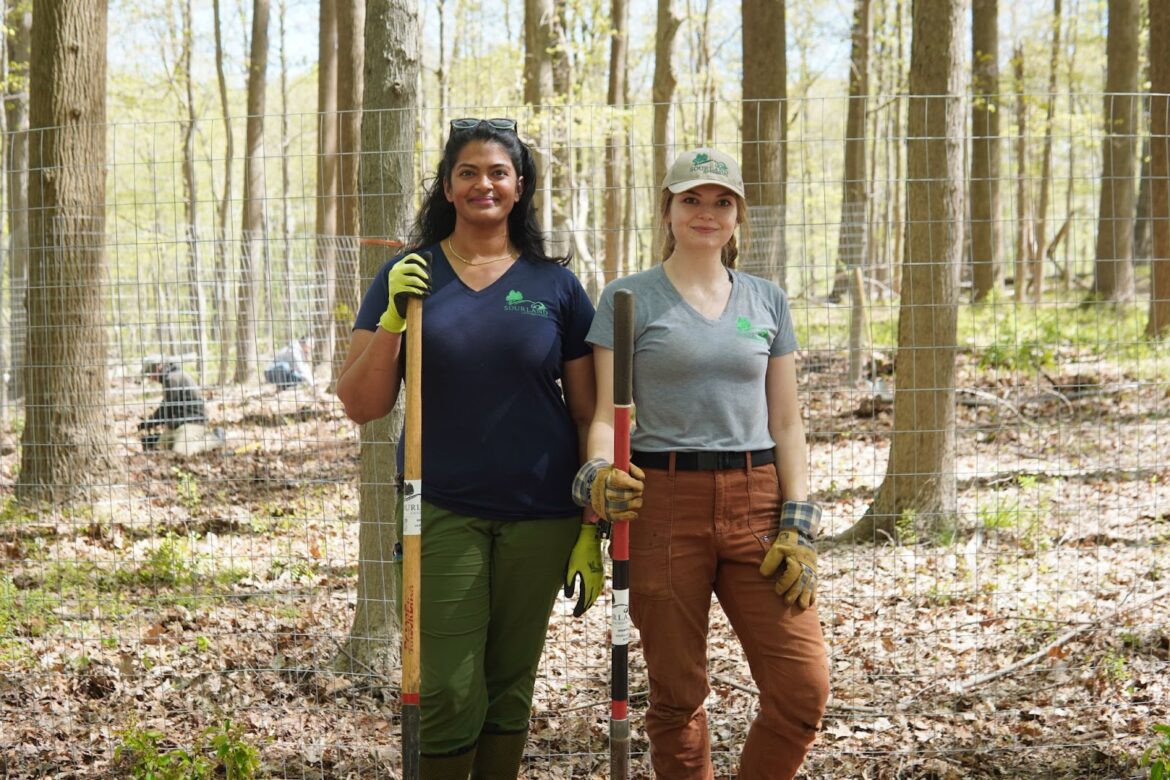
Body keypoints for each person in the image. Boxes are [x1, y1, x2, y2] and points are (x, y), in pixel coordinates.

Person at [335, 117, 597, 779]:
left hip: (542, 513)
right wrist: (392, 319)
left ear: (520, 186)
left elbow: (588, 411)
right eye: (468, 172)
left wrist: (591, 522)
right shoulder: (407, 276)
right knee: (448, 687)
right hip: (440, 507)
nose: (485, 184)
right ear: (448, 188)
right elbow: (361, 404)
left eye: (499, 172)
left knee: (510, 684)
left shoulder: (556, 287)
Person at [573, 148, 830, 780]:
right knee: (677, 695)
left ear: (738, 216)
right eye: (691, 199)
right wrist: (597, 476)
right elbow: (605, 415)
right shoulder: (627, 297)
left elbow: (787, 422)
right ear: (668, 210)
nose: (706, 212)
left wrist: (798, 521)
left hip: (758, 503)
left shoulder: (767, 300)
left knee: (803, 688)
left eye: (721, 202)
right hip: (661, 502)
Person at [138, 360, 208, 451]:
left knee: (180, 452)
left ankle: (214, 439)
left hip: (193, 423)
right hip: (178, 424)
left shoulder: (173, 378)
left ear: (157, 368)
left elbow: (166, 409)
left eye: (150, 375)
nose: (151, 379)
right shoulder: (171, 377)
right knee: (158, 448)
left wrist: (149, 422)